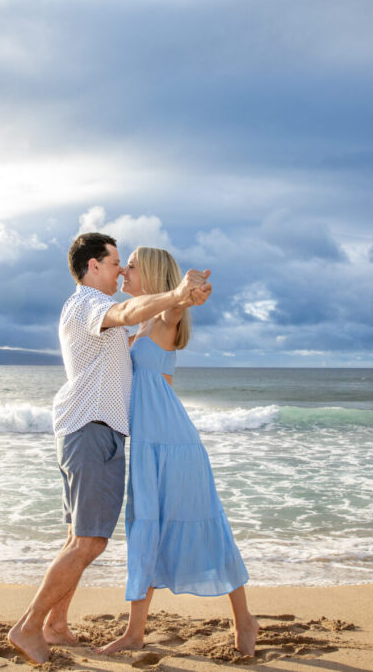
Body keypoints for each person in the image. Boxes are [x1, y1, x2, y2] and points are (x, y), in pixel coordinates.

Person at [9, 233, 211, 665]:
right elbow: (125, 310)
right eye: (115, 262)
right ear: (93, 266)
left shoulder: (92, 310)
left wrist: (183, 299)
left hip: (86, 430)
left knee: (76, 537)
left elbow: (152, 330)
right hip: (92, 430)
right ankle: (29, 626)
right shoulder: (89, 304)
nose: (121, 270)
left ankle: (56, 626)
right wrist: (175, 292)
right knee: (90, 542)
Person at [97, 246, 258, 657]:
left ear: (149, 273)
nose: (124, 272)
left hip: (177, 446)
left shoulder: (167, 316)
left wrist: (190, 289)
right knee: (145, 529)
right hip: (149, 447)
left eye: (130, 266)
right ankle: (134, 633)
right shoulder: (140, 320)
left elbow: (179, 304)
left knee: (207, 526)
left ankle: (244, 619)